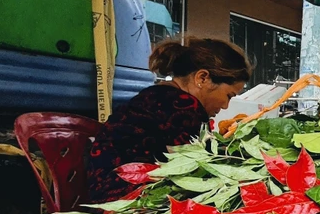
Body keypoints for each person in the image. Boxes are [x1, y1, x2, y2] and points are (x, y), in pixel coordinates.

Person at [87, 37, 252, 202]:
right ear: (203, 78)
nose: (225, 106)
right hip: (130, 204)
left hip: (100, 196)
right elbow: (204, 169)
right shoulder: (184, 108)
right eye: (229, 96)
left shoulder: (154, 96)